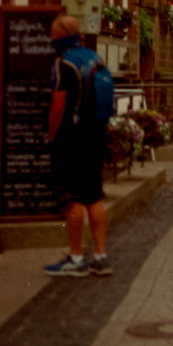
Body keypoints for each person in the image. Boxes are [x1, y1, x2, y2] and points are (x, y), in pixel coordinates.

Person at [43, 16, 111, 277]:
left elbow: (59, 104)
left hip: (73, 137)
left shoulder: (64, 63)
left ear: (61, 34)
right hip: (96, 133)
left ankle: (76, 258)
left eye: (52, 34)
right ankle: (101, 256)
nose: (50, 39)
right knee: (94, 197)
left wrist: (52, 135)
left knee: (73, 198)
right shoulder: (94, 58)